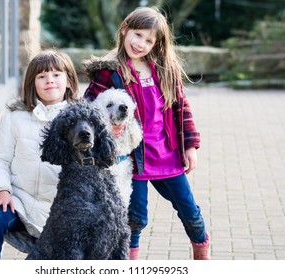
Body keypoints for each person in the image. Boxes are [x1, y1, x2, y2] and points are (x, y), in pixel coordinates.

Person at [83, 6, 210, 260]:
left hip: (167, 156)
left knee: (189, 211)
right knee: (135, 217)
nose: (140, 43)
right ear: (124, 30)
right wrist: (108, 126)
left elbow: (181, 108)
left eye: (149, 40)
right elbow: (89, 108)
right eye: (137, 35)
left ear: (156, 44)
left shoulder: (165, 71)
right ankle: (130, 261)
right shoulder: (110, 71)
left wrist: (190, 146)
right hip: (133, 159)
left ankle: (202, 251)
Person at [0, 49, 79, 260]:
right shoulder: (15, 118)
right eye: (42, 76)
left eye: (56, 75)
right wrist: (2, 191)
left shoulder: (79, 120)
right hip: (19, 201)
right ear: (32, 84)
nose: (49, 80)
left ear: (68, 81)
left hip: (61, 207)